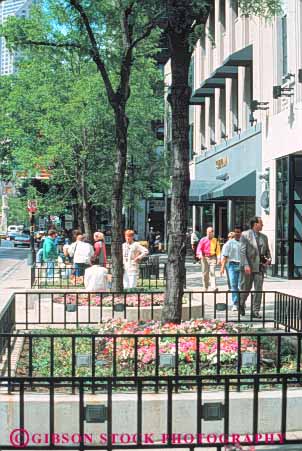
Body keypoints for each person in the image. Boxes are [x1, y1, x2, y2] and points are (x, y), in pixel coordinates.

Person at [239, 217, 271, 318]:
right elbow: (242, 251)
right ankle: (241, 304)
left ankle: (255, 311)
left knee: (258, 290)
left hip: (259, 268)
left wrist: (269, 259)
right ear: (255, 224)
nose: (262, 225)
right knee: (246, 289)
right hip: (247, 268)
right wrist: (246, 265)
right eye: (261, 223)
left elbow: (267, 251)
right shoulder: (245, 235)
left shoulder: (264, 237)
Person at [220, 227, 242, 311]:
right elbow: (225, 256)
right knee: (233, 285)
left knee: (241, 285)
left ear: (241, 233)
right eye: (236, 232)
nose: (237, 233)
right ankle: (235, 303)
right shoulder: (229, 243)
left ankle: (241, 302)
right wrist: (222, 267)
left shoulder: (244, 242)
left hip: (242, 265)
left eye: (239, 232)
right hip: (232, 265)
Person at [196, 227, 221, 291]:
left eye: (211, 232)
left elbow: (218, 250)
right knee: (205, 273)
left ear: (213, 233)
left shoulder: (215, 240)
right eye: (208, 232)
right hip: (204, 257)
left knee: (212, 272)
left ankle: (214, 287)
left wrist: (218, 258)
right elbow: (199, 248)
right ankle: (205, 287)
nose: (210, 233)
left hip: (212, 257)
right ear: (206, 232)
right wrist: (200, 254)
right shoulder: (203, 239)